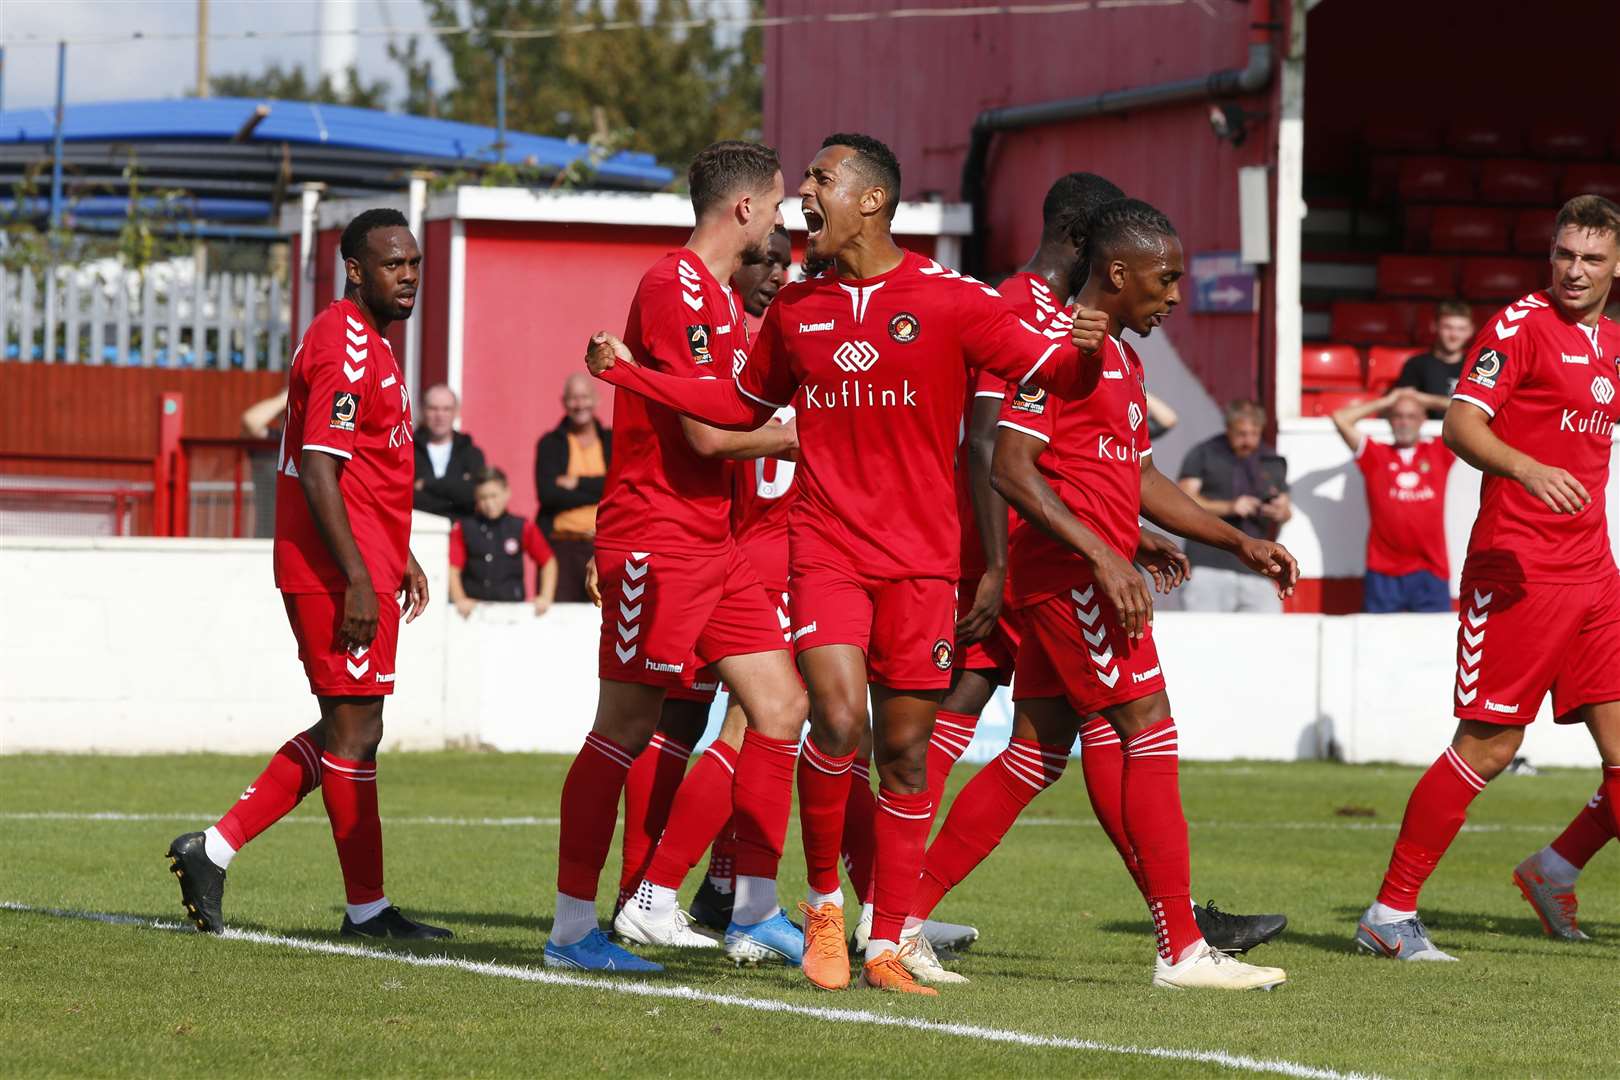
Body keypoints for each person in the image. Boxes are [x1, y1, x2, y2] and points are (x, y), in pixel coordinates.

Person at [585, 132, 1129, 995]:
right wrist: (638, 378)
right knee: (834, 720)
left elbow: (1057, 376)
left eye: (820, 179)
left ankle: (888, 940)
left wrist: (1090, 348)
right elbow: (735, 402)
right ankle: (826, 908)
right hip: (825, 550)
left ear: (871, 200)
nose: (803, 191)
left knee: (905, 755)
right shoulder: (797, 310)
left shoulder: (951, 299)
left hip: (920, 565)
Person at [909, 199, 1294, 990]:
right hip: (1070, 578)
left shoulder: (1122, 357)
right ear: (1118, 274)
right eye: (1166, 279)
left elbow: (1137, 474)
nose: (1176, 295)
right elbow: (1009, 468)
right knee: (1148, 725)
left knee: (1036, 753)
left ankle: (900, 921)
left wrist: (1236, 541)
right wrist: (1103, 555)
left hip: (1080, 571)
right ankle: (1183, 950)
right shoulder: (1054, 346)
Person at [544, 141, 810, 976]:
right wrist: (799, 438)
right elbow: (704, 432)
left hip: (717, 545)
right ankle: (571, 930)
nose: (780, 218)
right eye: (774, 205)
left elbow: (712, 406)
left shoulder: (726, 308)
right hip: (655, 542)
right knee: (622, 730)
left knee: (781, 709)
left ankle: (755, 911)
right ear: (743, 209)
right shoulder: (673, 287)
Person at [164, 208, 448, 941]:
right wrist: (357, 576)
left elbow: (368, 470)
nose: (409, 275)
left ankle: (216, 849)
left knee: (351, 727)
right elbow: (320, 468)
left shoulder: (374, 346)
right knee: (354, 733)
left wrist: (398, 554)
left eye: (414, 262)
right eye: (393, 263)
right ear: (355, 269)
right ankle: (364, 909)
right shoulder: (346, 344)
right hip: (332, 571)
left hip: (359, 562)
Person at [1355, 194, 1620, 962]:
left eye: (1592, 259)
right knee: (1490, 746)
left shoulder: (1609, 343)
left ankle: (1554, 868)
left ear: (1615, 266)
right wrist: (1526, 466)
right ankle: (1388, 913)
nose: (1575, 270)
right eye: (1565, 254)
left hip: (1594, 573)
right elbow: (1461, 424)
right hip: (1519, 569)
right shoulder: (1521, 325)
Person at [1330, 388, 1455, 613]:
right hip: (1384, 572)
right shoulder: (1376, 455)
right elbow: (1340, 418)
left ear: (1423, 419)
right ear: (1389, 420)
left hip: (1431, 570)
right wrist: (1386, 401)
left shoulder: (1438, 451)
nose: (1404, 422)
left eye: (1411, 416)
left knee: (1434, 646)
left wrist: (1426, 398)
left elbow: (1471, 413)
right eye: (1397, 416)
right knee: (1379, 646)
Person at [1176, 401, 1292, 612]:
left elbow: (1286, 511)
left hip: (1258, 569)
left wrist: (1280, 511)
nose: (1247, 440)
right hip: (1208, 565)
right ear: (1228, 429)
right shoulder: (1204, 453)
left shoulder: (1272, 460)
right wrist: (1230, 507)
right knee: (1204, 638)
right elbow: (1182, 500)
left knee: (1269, 637)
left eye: (1254, 433)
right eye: (1241, 434)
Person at [535, 374, 612, 603]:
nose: (580, 404)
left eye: (584, 397)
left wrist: (577, 482)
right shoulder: (550, 443)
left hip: (603, 547)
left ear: (596, 400)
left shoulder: (612, 440)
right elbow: (548, 495)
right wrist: (601, 487)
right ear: (564, 402)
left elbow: (619, 488)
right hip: (562, 548)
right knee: (559, 623)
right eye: (573, 398)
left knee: (602, 618)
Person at [447, 467, 558, 618]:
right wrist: (459, 599)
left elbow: (548, 562)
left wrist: (545, 597)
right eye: (483, 498)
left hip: (513, 611)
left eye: (494, 496)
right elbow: (452, 568)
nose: (489, 503)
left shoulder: (522, 526)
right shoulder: (463, 528)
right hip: (474, 612)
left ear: (507, 493)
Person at [412, 384, 484, 518]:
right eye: (433, 408)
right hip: (418, 531)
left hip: (460, 532)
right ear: (422, 411)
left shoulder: (471, 453)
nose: (440, 415)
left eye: (446, 409)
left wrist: (426, 483)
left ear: (456, 412)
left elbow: (473, 494)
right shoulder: (407, 450)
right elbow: (407, 497)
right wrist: (454, 493)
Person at [1396, 301, 1477, 419]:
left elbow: (1476, 407)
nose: (1454, 335)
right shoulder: (1416, 364)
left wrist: (1425, 399)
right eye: (1447, 327)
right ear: (1434, 326)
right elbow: (1403, 402)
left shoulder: (1476, 366)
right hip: (1427, 433)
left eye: (1461, 329)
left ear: (1470, 331)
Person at [241, 388, 288, 538]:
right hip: (267, 540)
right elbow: (250, 422)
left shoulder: (315, 446)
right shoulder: (271, 442)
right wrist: (283, 399)